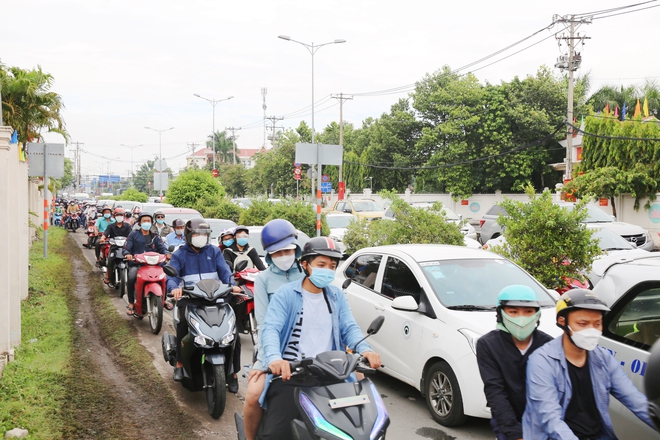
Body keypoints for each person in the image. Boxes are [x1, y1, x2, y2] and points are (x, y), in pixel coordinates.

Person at [259, 236, 382, 439]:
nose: (328, 270)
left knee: (362, 426)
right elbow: (271, 328)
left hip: (332, 374)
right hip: (293, 374)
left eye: (332, 266)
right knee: (276, 434)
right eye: (321, 264)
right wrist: (275, 358)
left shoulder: (335, 295)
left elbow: (349, 327)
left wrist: (365, 350)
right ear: (305, 264)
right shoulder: (285, 294)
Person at [523, 289, 655, 439]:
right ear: (562, 322)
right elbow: (551, 419)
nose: (592, 330)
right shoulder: (541, 361)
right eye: (583, 323)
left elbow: (635, 400)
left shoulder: (603, 358)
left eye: (597, 324)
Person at [243, 219, 304, 440]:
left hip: (307, 349)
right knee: (252, 395)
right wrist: (268, 358)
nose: (284, 255)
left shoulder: (308, 276)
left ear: (295, 249)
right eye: (277, 252)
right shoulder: (263, 280)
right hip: (272, 348)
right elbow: (263, 323)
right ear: (269, 254)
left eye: (287, 250)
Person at [167, 218, 242, 389]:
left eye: (204, 234)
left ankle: (234, 372)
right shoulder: (180, 254)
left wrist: (232, 286)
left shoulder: (214, 251)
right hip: (191, 299)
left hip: (216, 298)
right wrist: (174, 289)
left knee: (233, 331)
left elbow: (225, 272)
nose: (200, 237)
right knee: (184, 326)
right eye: (197, 234)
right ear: (188, 235)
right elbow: (171, 276)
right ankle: (180, 363)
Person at [476, 285, 553, 440]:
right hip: (507, 423)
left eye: (528, 311)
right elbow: (495, 390)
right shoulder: (488, 344)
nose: (521, 318)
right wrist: (515, 434)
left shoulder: (548, 345)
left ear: (537, 314)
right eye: (513, 312)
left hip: (544, 424)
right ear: (501, 313)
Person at [123, 212, 170, 317]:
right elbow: (126, 247)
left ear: (151, 223)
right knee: (131, 277)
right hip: (137, 264)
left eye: (148, 221)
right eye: (144, 221)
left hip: (155, 265)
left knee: (166, 276)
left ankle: (164, 300)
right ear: (140, 222)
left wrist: (167, 254)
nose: (146, 223)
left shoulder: (155, 236)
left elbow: (162, 248)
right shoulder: (133, 234)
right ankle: (131, 303)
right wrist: (128, 254)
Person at [102, 208, 133, 285]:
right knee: (110, 259)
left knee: (132, 261)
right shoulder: (111, 226)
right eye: (118, 215)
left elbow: (132, 235)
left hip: (125, 248)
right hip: (114, 247)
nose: (119, 216)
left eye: (121, 215)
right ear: (114, 216)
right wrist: (103, 238)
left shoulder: (128, 226)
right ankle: (107, 275)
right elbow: (105, 233)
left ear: (124, 216)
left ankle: (132, 277)